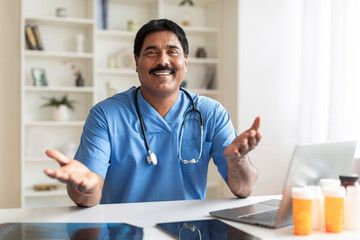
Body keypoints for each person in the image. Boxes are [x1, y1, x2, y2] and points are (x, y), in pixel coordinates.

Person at [44, 19, 262, 207]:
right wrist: (85, 188)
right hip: (124, 233)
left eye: (172, 52)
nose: (163, 61)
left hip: (188, 231)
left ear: (185, 62)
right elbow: (87, 195)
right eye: (151, 52)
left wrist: (238, 161)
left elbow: (243, 189)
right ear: (136, 62)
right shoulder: (105, 115)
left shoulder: (211, 113)